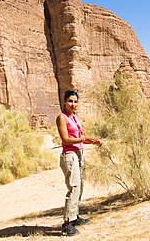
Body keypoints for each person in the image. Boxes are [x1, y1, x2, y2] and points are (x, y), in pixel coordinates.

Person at [56, 90, 102, 236]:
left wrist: (93, 141)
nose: (73, 104)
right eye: (70, 101)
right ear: (64, 101)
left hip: (78, 153)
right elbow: (66, 140)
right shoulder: (62, 117)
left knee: (79, 186)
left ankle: (74, 217)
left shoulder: (74, 117)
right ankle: (67, 223)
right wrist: (84, 139)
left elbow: (79, 138)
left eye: (75, 101)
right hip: (69, 155)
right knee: (74, 187)